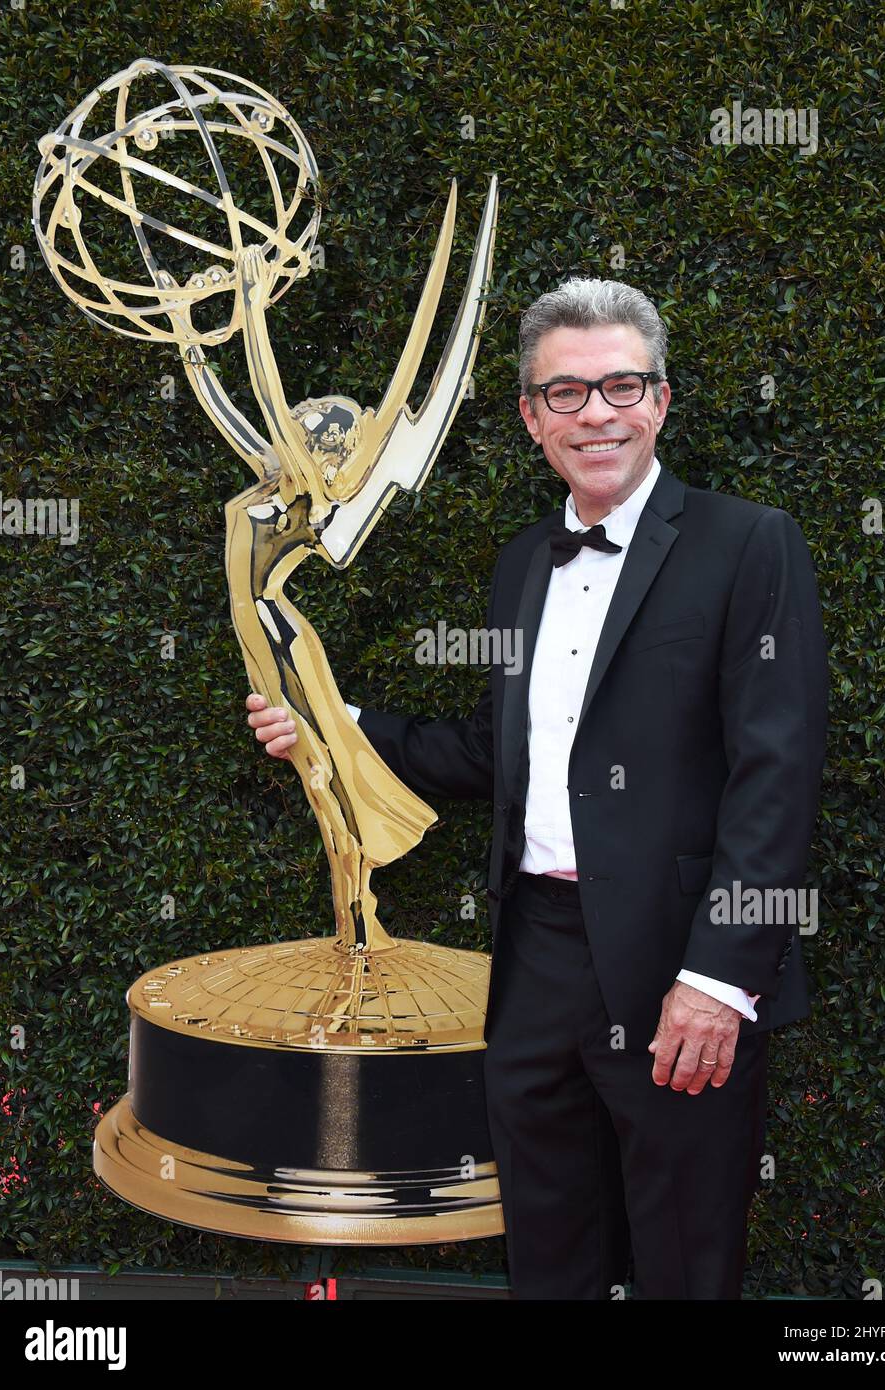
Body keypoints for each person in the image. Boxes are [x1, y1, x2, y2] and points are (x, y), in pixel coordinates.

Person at [246, 276, 829, 1299]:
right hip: (535, 962)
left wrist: (719, 977)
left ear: (659, 400)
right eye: (565, 393)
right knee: (547, 1251)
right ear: (529, 416)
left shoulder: (749, 542)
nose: (595, 412)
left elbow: (775, 775)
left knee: (688, 1256)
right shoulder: (522, 564)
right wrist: (332, 731)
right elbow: (494, 753)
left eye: (621, 385)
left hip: (675, 960)